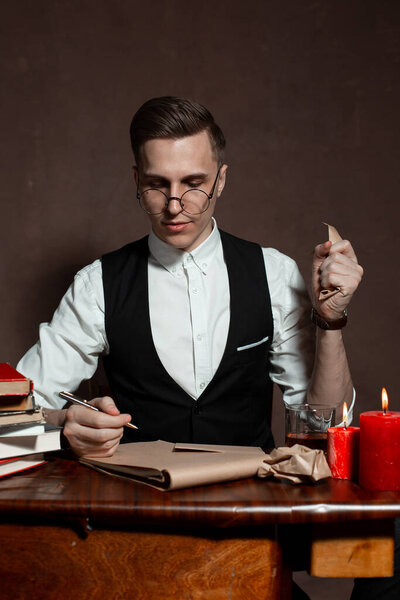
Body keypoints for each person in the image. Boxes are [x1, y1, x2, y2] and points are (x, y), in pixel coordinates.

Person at [18, 96, 362, 457]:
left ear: (221, 180)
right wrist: (62, 425)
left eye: (193, 183)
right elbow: (8, 430)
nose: (173, 205)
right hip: (135, 507)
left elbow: (329, 431)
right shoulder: (97, 285)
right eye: (157, 184)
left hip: (250, 507)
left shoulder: (274, 274)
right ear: (136, 180)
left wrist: (331, 320)